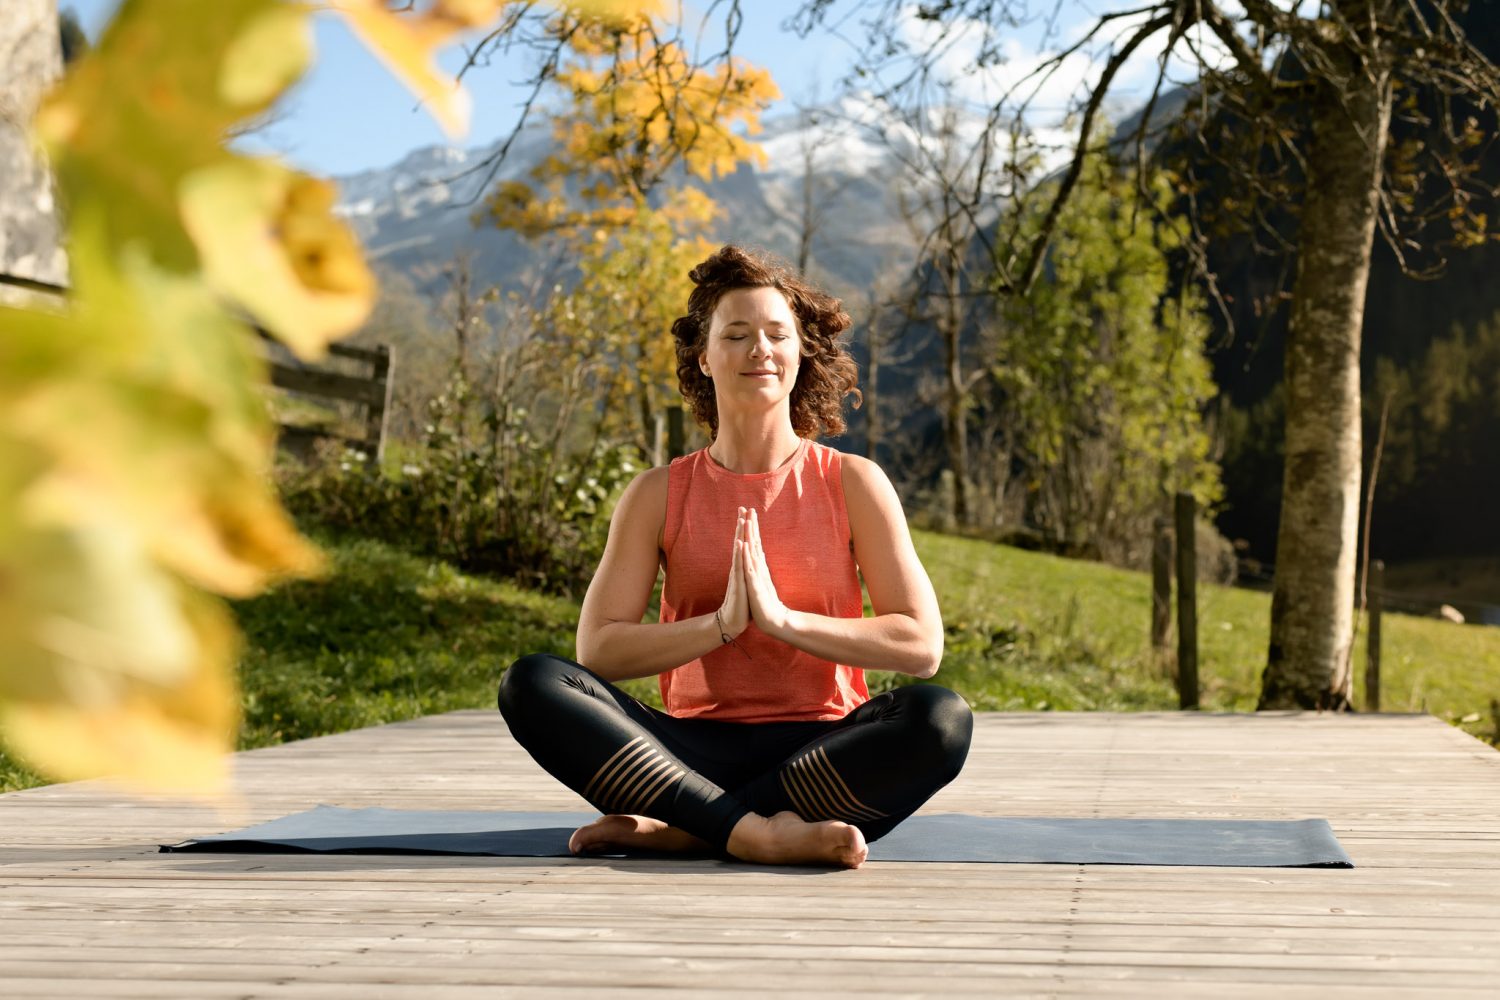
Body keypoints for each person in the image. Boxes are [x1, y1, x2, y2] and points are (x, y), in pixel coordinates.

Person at [498, 245, 972, 868]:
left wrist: (782, 622)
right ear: (704, 355)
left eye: (778, 334)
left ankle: (697, 828)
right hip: (689, 752)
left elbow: (920, 645)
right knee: (532, 683)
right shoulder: (657, 493)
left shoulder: (853, 482)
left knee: (940, 719)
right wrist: (721, 627)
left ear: (802, 353)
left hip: (823, 751)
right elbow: (599, 650)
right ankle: (754, 833)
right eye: (738, 334)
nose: (760, 349)